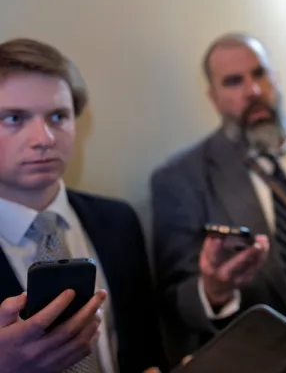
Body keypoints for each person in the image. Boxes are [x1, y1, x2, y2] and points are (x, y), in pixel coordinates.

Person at [151, 33, 286, 364]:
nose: (253, 91)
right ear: (214, 98)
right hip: (270, 359)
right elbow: (175, 301)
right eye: (234, 82)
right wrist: (213, 290)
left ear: (276, 77)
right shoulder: (180, 179)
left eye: (259, 74)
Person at [0, 38, 166, 373]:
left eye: (58, 116)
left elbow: (146, 345)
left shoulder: (118, 221)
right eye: (14, 118)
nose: (45, 139)